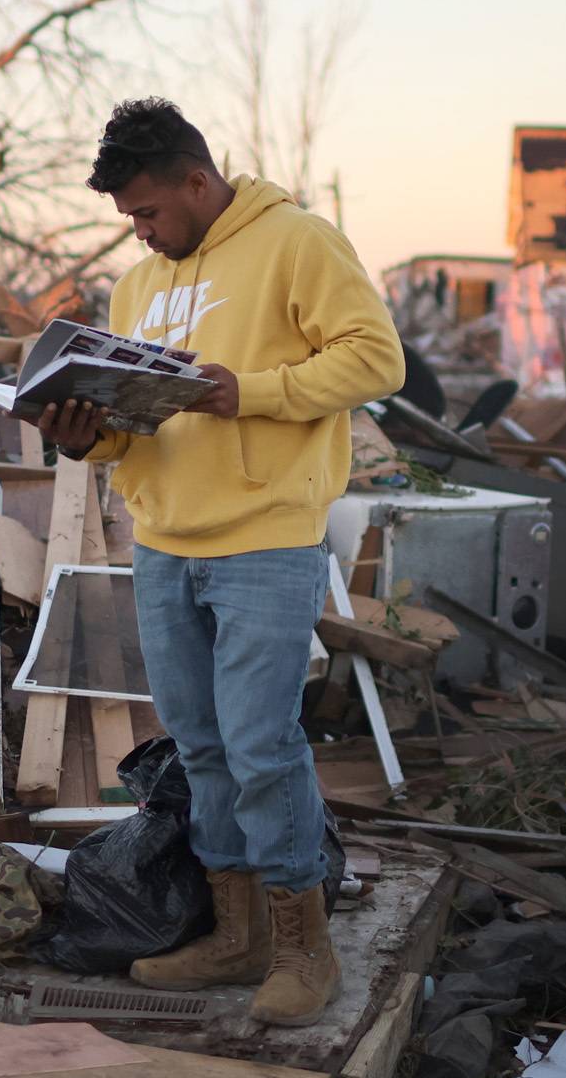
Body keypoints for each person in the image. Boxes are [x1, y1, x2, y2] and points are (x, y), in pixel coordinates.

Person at [35, 98, 404, 1025]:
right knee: (201, 749)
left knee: (261, 746)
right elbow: (137, 436)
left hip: (266, 543)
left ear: (198, 181)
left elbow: (377, 359)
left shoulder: (297, 242)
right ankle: (235, 936)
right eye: (130, 219)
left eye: (151, 212)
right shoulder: (135, 288)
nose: (143, 232)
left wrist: (254, 392)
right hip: (163, 546)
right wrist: (89, 441)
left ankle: (302, 950)